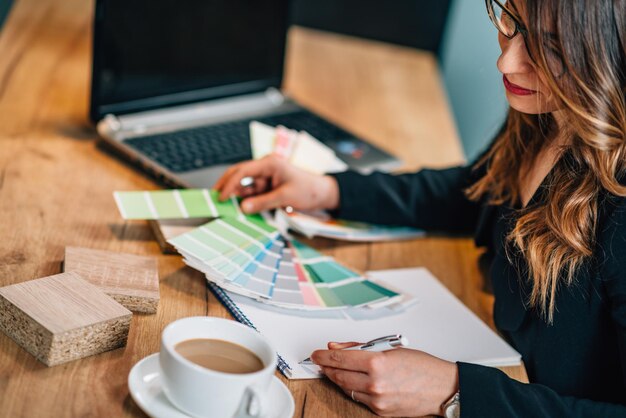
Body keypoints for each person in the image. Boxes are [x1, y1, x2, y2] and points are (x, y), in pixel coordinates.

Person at [215, 0, 626, 416]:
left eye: (551, 47)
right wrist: (329, 191)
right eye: (512, 23)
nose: (507, 61)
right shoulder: (555, 112)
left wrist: (454, 392)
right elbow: (478, 190)